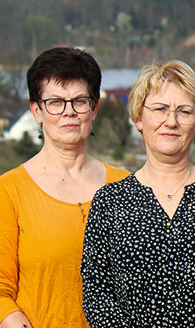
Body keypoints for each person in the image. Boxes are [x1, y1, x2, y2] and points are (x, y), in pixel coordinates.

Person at [80, 60, 195, 327]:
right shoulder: (109, 202)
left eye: (184, 111)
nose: (171, 121)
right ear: (138, 118)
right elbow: (97, 295)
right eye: (159, 109)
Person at [0, 47, 129, 328]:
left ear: (94, 109)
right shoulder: (9, 191)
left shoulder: (127, 186)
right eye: (56, 102)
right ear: (37, 110)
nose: (69, 112)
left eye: (80, 101)